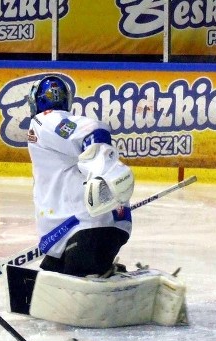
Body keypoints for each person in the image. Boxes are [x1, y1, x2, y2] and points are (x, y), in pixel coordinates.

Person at [25, 74, 135, 277]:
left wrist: (101, 169)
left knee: (64, 293)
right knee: (50, 276)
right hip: (81, 228)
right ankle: (105, 272)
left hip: (86, 227)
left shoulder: (43, 121)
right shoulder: (52, 131)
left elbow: (93, 130)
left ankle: (101, 275)